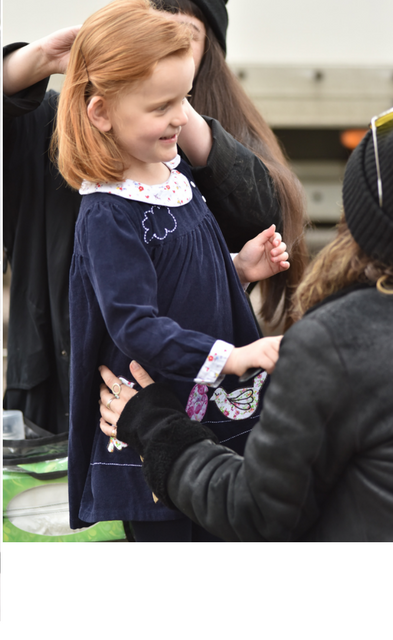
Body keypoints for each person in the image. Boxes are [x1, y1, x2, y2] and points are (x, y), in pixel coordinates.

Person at [3, 0, 306, 435]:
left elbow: (254, 217)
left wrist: (176, 113)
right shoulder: (63, 131)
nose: (161, 41)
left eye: (181, 34)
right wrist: (40, 58)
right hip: (63, 380)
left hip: (188, 394)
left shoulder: (192, 145)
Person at [54, 0, 289, 541]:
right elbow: (135, 324)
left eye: (183, 98)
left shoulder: (173, 176)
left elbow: (181, 276)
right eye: (161, 106)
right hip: (151, 428)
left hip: (206, 416)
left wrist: (238, 267)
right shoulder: (107, 211)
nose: (180, 118)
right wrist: (233, 357)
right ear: (101, 112)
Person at [98, 109, 393, 541]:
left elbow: (256, 511)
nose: (176, 119)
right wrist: (229, 272)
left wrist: (157, 428)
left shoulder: (337, 345)